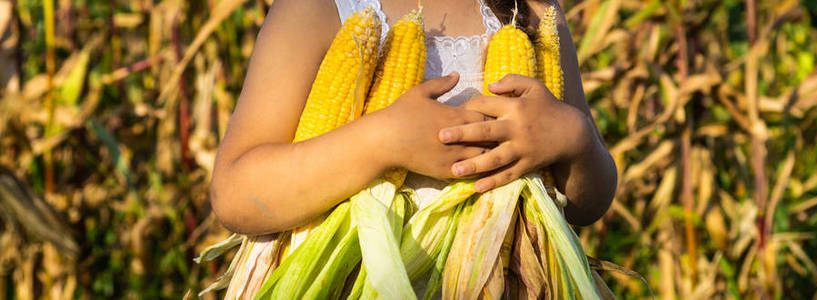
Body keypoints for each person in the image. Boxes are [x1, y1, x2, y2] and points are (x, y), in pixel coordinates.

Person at [209, 0, 617, 236]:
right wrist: (382, 141)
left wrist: (574, 139)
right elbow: (235, 193)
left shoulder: (530, 9)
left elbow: (586, 205)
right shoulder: (317, 7)